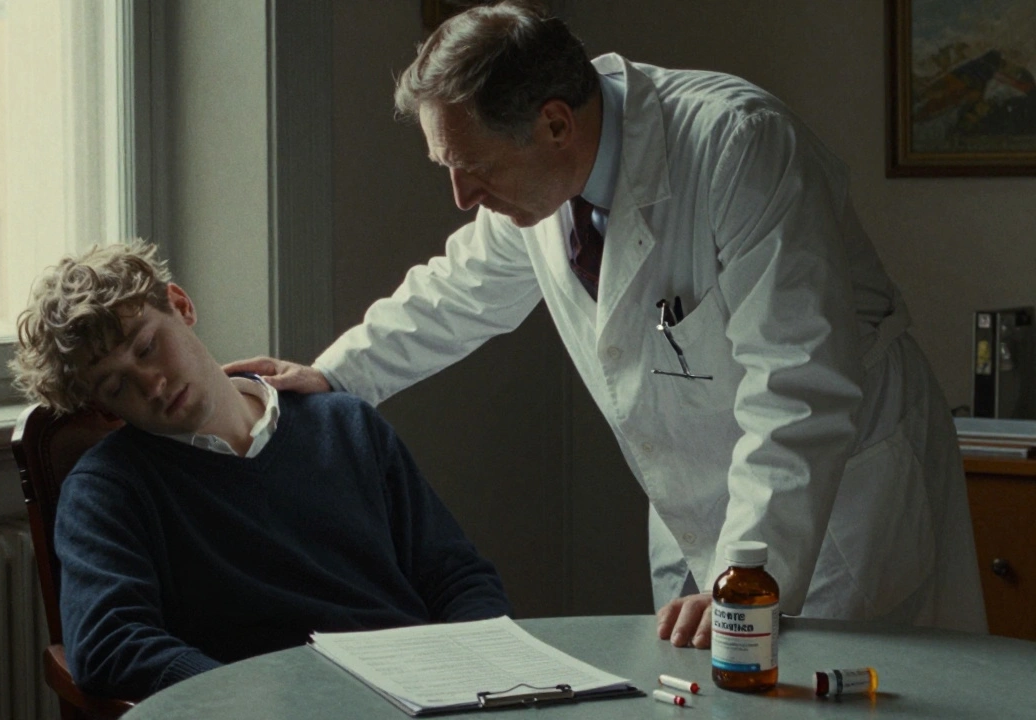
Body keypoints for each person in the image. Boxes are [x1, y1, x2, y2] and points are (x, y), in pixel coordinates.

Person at [226, 1, 987, 648]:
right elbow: (456, 292)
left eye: (472, 168)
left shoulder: (736, 146)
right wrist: (335, 375)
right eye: (446, 168)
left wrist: (753, 570)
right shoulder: (536, 186)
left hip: (840, 494)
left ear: (555, 122)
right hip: (701, 502)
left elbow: (800, 384)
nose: (460, 196)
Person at [9, 240, 511, 700]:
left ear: (181, 307)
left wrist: (474, 673)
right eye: (117, 386)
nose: (153, 384)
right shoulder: (108, 489)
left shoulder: (347, 424)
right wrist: (252, 698)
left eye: (147, 347)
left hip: (432, 692)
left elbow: (459, 577)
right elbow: (110, 643)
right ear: (106, 411)